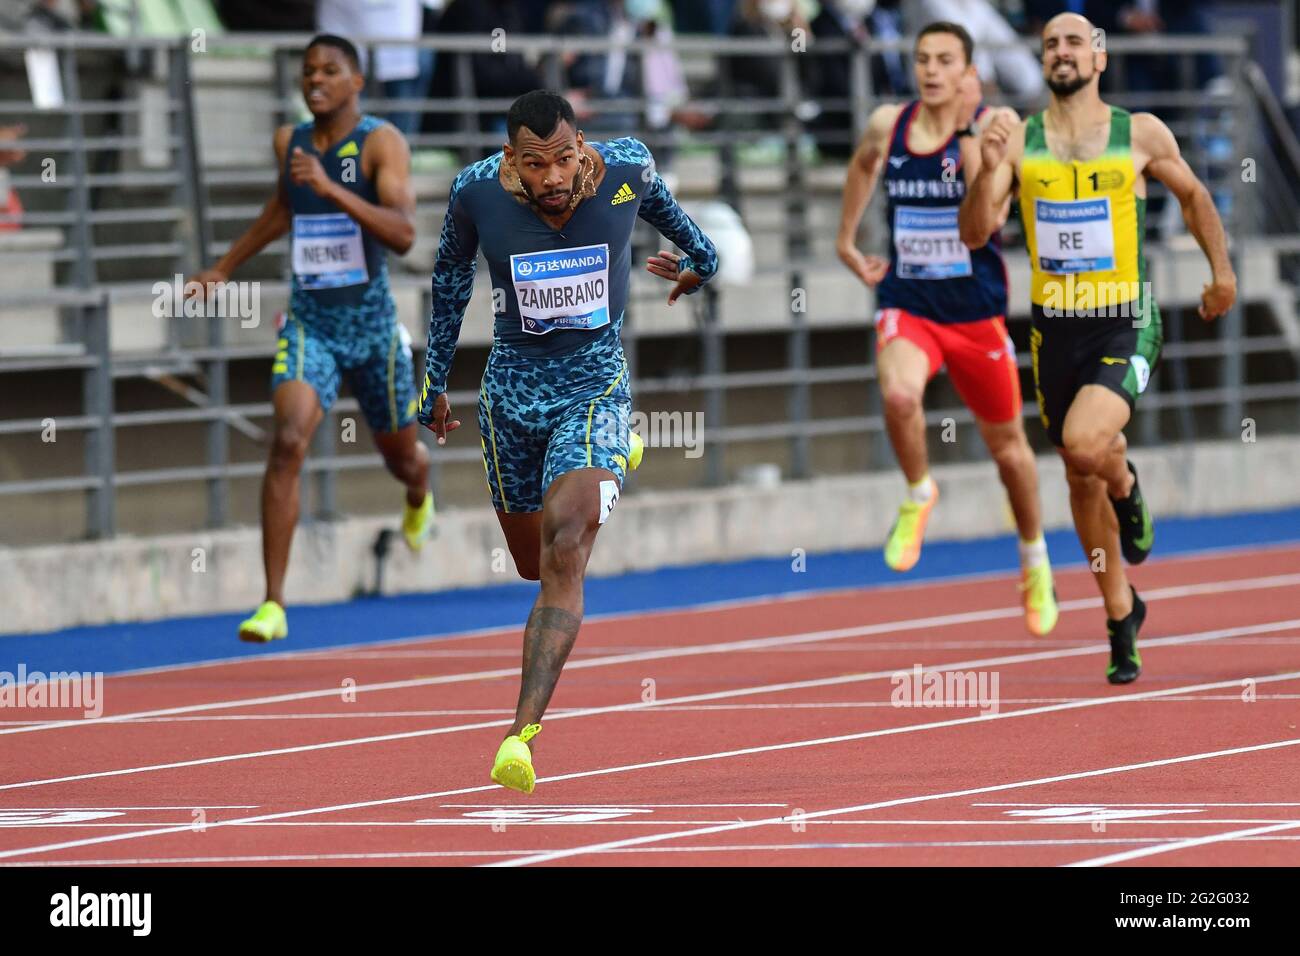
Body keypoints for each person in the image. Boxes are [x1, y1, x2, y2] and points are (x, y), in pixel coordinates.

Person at [420, 90, 718, 793]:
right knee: (532, 561)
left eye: (562, 160)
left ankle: (519, 734)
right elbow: (447, 279)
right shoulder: (473, 194)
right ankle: (612, 463)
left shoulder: (628, 171)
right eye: (534, 165)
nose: (552, 179)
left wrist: (698, 269)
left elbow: (696, 243)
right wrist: (432, 379)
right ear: (510, 162)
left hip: (594, 388)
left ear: (581, 145)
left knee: (565, 545)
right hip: (512, 399)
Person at [959, 12, 1236, 683]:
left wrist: (1222, 273)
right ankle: (1121, 615)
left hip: (1124, 317)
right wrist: (987, 170)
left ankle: (1128, 481)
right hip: (1055, 331)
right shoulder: (1019, 141)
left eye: (1075, 42)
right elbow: (974, 234)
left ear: (1100, 58)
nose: (1061, 52)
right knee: (1079, 474)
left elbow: (1195, 195)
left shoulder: (1138, 133)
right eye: (1051, 43)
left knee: (1087, 445)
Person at [186, 35, 434, 643]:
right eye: (307, 72)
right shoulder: (289, 142)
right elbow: (282, 209)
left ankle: (419, 488)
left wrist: (333, 190)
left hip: (372, 329)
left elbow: (403, 235)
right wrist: (224, 266)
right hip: (310, 324)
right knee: (289, 438)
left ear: (357, 81)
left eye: (330, 71)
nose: (315, 80)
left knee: (399, 455)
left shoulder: (382, 142)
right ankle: (273, 602)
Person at [837, 21, 1059, 636]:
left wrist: (977, 152)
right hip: (909, 302)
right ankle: (918, 491)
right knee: (900, 393)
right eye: (922, 59)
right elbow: (861, 165)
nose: (931, 70)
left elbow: (980, 230)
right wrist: (846, 241)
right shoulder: (890, 122)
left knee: (1010, 452)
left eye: (945, 61)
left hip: (974, 314)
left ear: (969, 72)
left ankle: (1035, 558)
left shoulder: (996, 127)